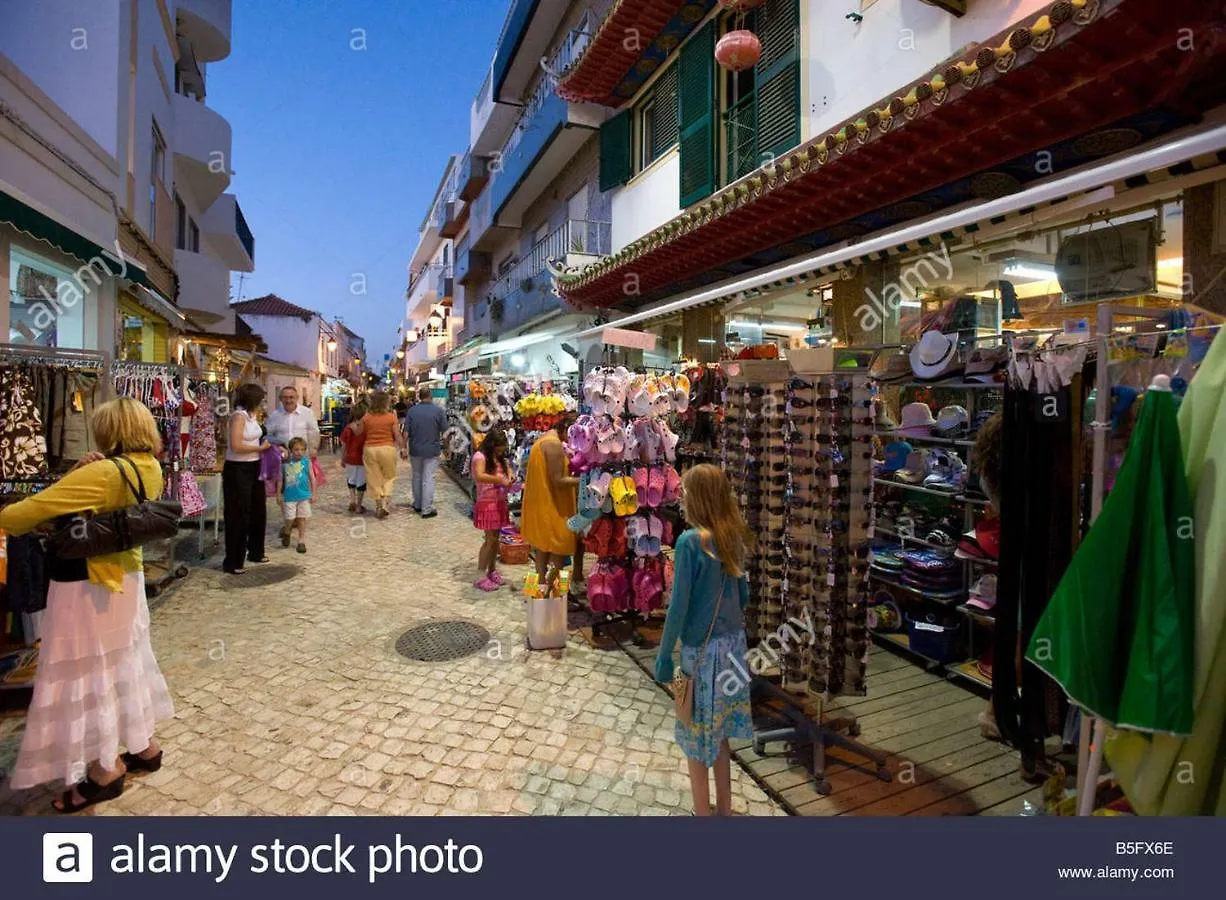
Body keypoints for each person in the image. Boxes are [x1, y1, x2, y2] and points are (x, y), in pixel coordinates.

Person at [0, 397, 175, 813]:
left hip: (87, 586)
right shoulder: (148, 466)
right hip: (126, 580)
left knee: (88, 670)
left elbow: (21, 515)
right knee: (121, 663)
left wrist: (74, 476)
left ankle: (104, 770)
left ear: (109, 430)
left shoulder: (101, 473)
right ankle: (143, 745)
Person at [653, 464, 754, 817]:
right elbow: (744, 596)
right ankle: (724, 808)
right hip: (734, 649)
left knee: (696, 739)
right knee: (720, 733)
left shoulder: (689, 542)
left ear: (696, 498)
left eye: (685, 492)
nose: (681, 497)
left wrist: (665, 655)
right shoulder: (733, 536)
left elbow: (678, 606)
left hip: (701, 654)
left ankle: (701, 813)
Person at [520, 413, 578, 582]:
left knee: (543, 550)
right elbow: (558, 480)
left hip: (544, 503)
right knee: (559, 553)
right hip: (554, 506)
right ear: (567, 428)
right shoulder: (553, 445)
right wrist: (587, 480)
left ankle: (542, 590)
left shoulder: (547, 440)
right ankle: (557, 596)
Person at [223, 383, 273, 575]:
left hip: (254, 466)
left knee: (258, 510)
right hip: (238, 469)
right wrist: (259, 449)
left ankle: (256, 551)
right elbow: (236, 445)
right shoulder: (238, 417)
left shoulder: (252, 417)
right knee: (238, 513)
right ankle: (234, 560)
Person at [353, 391, 407, 518]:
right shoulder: (391, 417)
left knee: (374, 477)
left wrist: (357, 422)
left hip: (370, 449)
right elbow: (397, 435)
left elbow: (358, 432)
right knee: (389, 476)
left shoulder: (367, 417)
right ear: (386, 402)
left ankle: (378, 505)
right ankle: (384, 503)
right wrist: (403, 449)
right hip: (387, 448)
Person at [471, 427, 513, 591]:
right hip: (487, 503)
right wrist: (499, 480)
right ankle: (480, 574)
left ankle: (492, 570)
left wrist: (509, 475)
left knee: (495, 539)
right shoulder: (480, 457)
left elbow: (506, 468)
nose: (501, 453)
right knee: (489, 540)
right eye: (499, 449)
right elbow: (479, 475)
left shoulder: (498, 457)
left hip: (499, 501)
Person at [404, 385, 448, 518]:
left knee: (417, 476)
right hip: (431, 449)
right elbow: (445, 433)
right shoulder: (438, 411)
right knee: (428, 478)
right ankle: (426, 508)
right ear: (431, 396)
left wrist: (403, 448)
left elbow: (405, 433)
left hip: (415, 449)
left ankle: (417, 504)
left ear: (419, 397)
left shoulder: (412, 411)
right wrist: (447, 448)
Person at [280, 437, 315, 553]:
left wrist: (314, 493)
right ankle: (287, 530)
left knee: (302, 518)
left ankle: (301, 541)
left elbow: (312, 477)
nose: (299, 452)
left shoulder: (306, 462)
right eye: (296, 449)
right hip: (289, 495)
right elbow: (280, 479)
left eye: (301, 449)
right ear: (290, 450)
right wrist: (278, 494)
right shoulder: (286, 463)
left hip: (303, 495)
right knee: (289, 517)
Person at [265, 386, 320, 458]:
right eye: (285, 397)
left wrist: (313, 449)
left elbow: (313, 432)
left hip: (302, 456)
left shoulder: (307, 413)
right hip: (282, 457)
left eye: (291, 397)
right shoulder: (275, 415)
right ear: (280, 399)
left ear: (297, 398)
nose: (288, 400)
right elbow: (269, 435)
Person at [339, 400, 369, 514]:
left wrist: (342, 459)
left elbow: (343, 445)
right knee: (361, 482)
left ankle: (352, 500)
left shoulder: (348, 428)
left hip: (349, 458)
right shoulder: (365, 428)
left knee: (351, 479)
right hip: (362, 458)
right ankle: (359, 505)